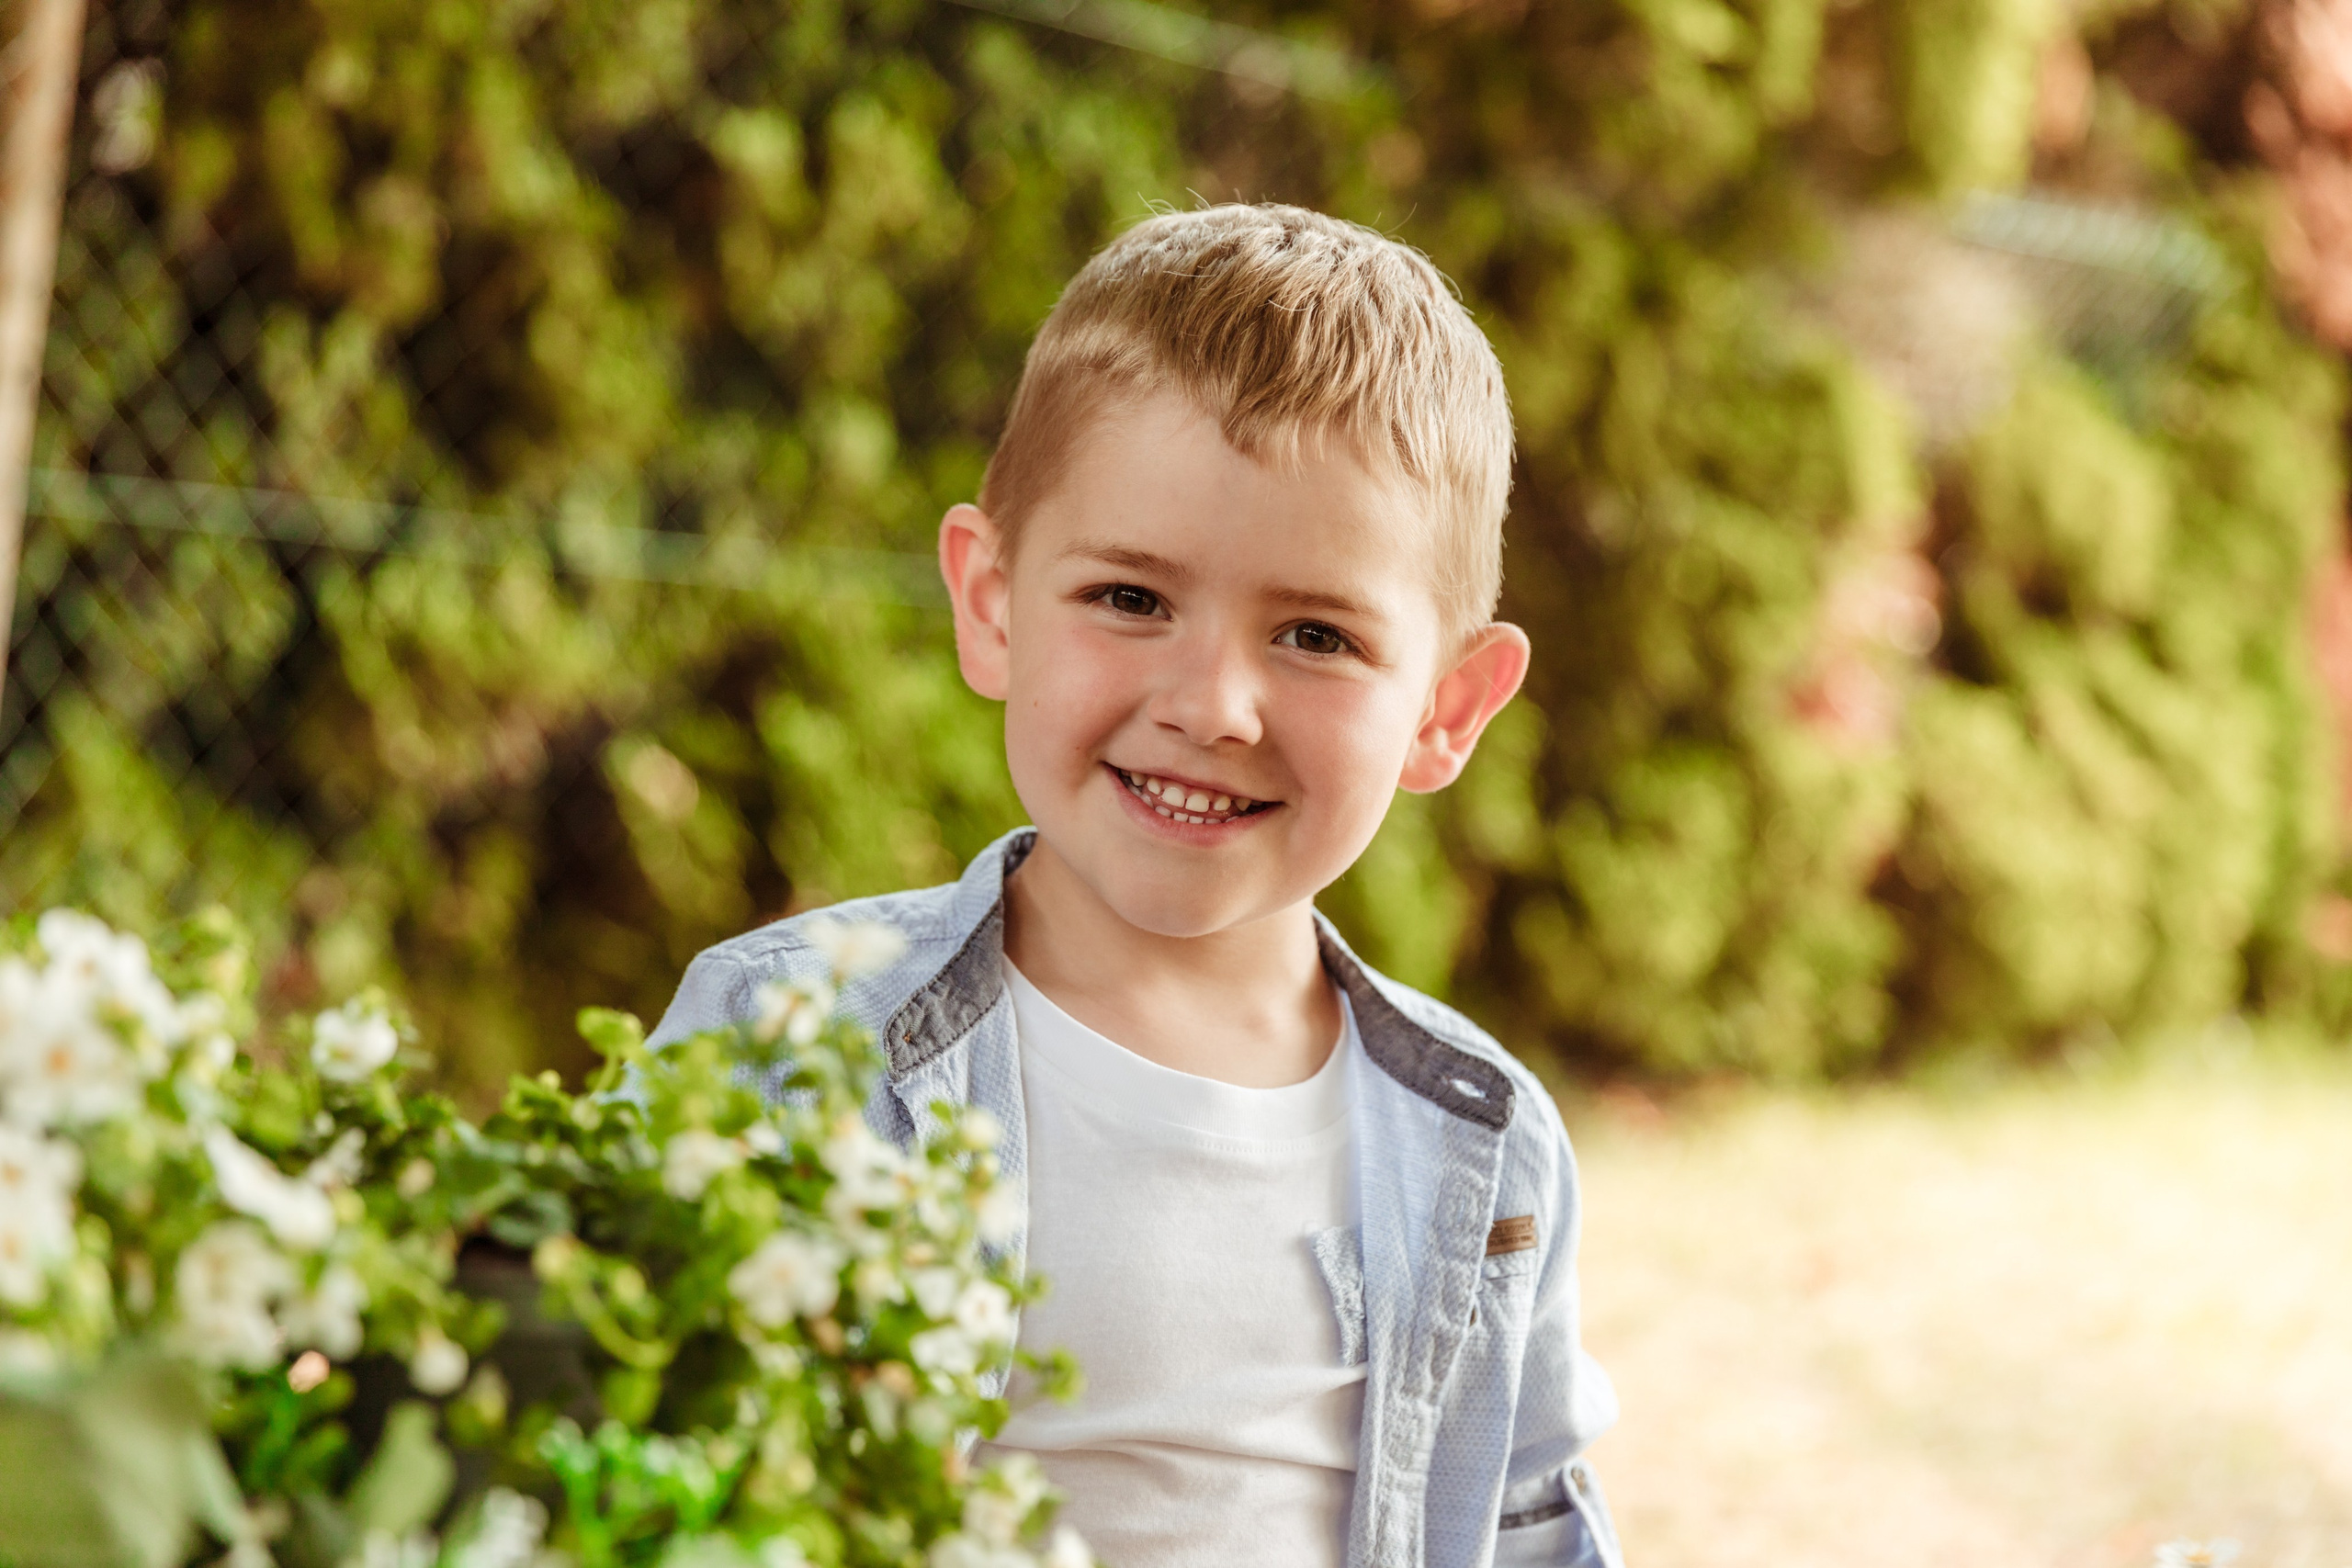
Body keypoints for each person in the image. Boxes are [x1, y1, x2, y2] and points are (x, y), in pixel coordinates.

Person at [650, 203, 1623, 1568]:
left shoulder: (1485, 1143)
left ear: (1445, 710)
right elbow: (610, 1460)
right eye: (1129, 600)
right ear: (991, 603)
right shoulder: (788, 1036)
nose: (1213, 705)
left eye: (1315, 634)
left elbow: (1531, 1532)